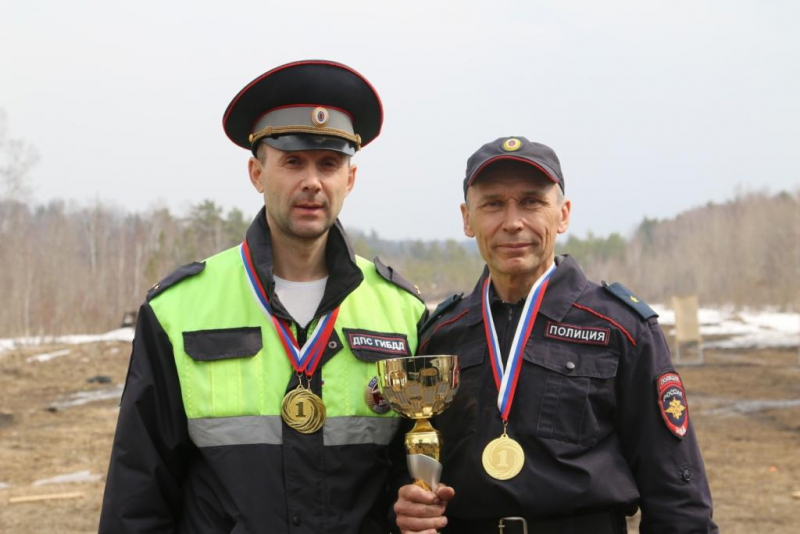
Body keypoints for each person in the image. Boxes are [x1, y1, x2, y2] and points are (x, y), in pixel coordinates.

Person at [99, 60, 427, 534]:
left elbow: (410, 468)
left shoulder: (403, 311)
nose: (312, 182)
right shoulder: (177, 309)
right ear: (257, 173)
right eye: (293, 162)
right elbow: (139, 488)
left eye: (329, 164)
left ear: (349, 181)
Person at [393, 137, 718, 534]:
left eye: (532, 202)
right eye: (493, 203)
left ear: (562, 215)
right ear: (467, 219)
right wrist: (409, 504)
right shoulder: (441, 335)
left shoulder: (622, 329)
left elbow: (677, 493)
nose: (513, 222)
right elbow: (405, 467)